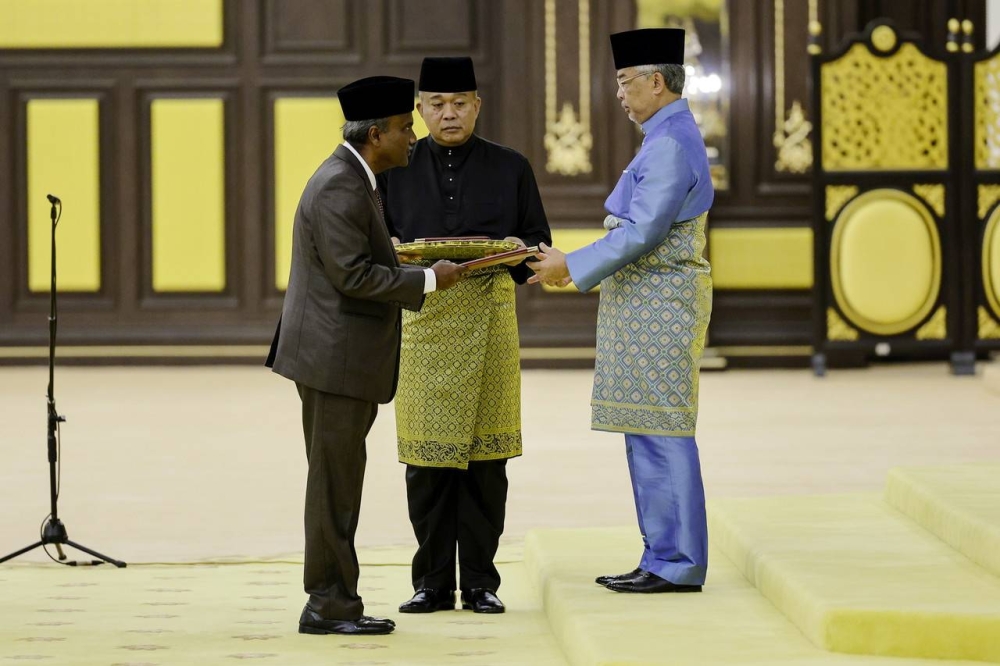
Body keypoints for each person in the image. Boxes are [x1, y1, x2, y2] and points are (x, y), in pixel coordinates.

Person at [265, 75, 467, 635]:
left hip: (341, 358)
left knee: (339, 481)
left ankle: (335, 598)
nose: (414, 137)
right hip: (334, 362)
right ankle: (328, 603)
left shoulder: (357, 177)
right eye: (406, 128)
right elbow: (351, 275)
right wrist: (427, 280)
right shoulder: (339, 185)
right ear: (376, 134)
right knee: (334, 486)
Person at [528, 28, 713, 594]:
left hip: (660, 298)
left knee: (664, 429)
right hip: (644, 301)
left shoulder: (671, 141)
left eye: (624, 82)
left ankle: (678, 560)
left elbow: (644, 232)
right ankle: (660, 554)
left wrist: (571, 265)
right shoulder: (666, 134)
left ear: (656, 82)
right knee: (644, 427)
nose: (619, 94)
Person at [378, 56, 551, 614]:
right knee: (427, 464)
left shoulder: (512, 166)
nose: (448, 114)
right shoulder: (394, 168)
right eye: (436, 105)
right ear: (420, 110)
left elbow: (534, 246)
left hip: (490, 321)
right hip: (423, 323)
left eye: (460, 103)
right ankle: (430, 582)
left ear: (477, 105)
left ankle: (480, 582)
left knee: (486, 461)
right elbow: (381, 250)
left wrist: (510, 253)